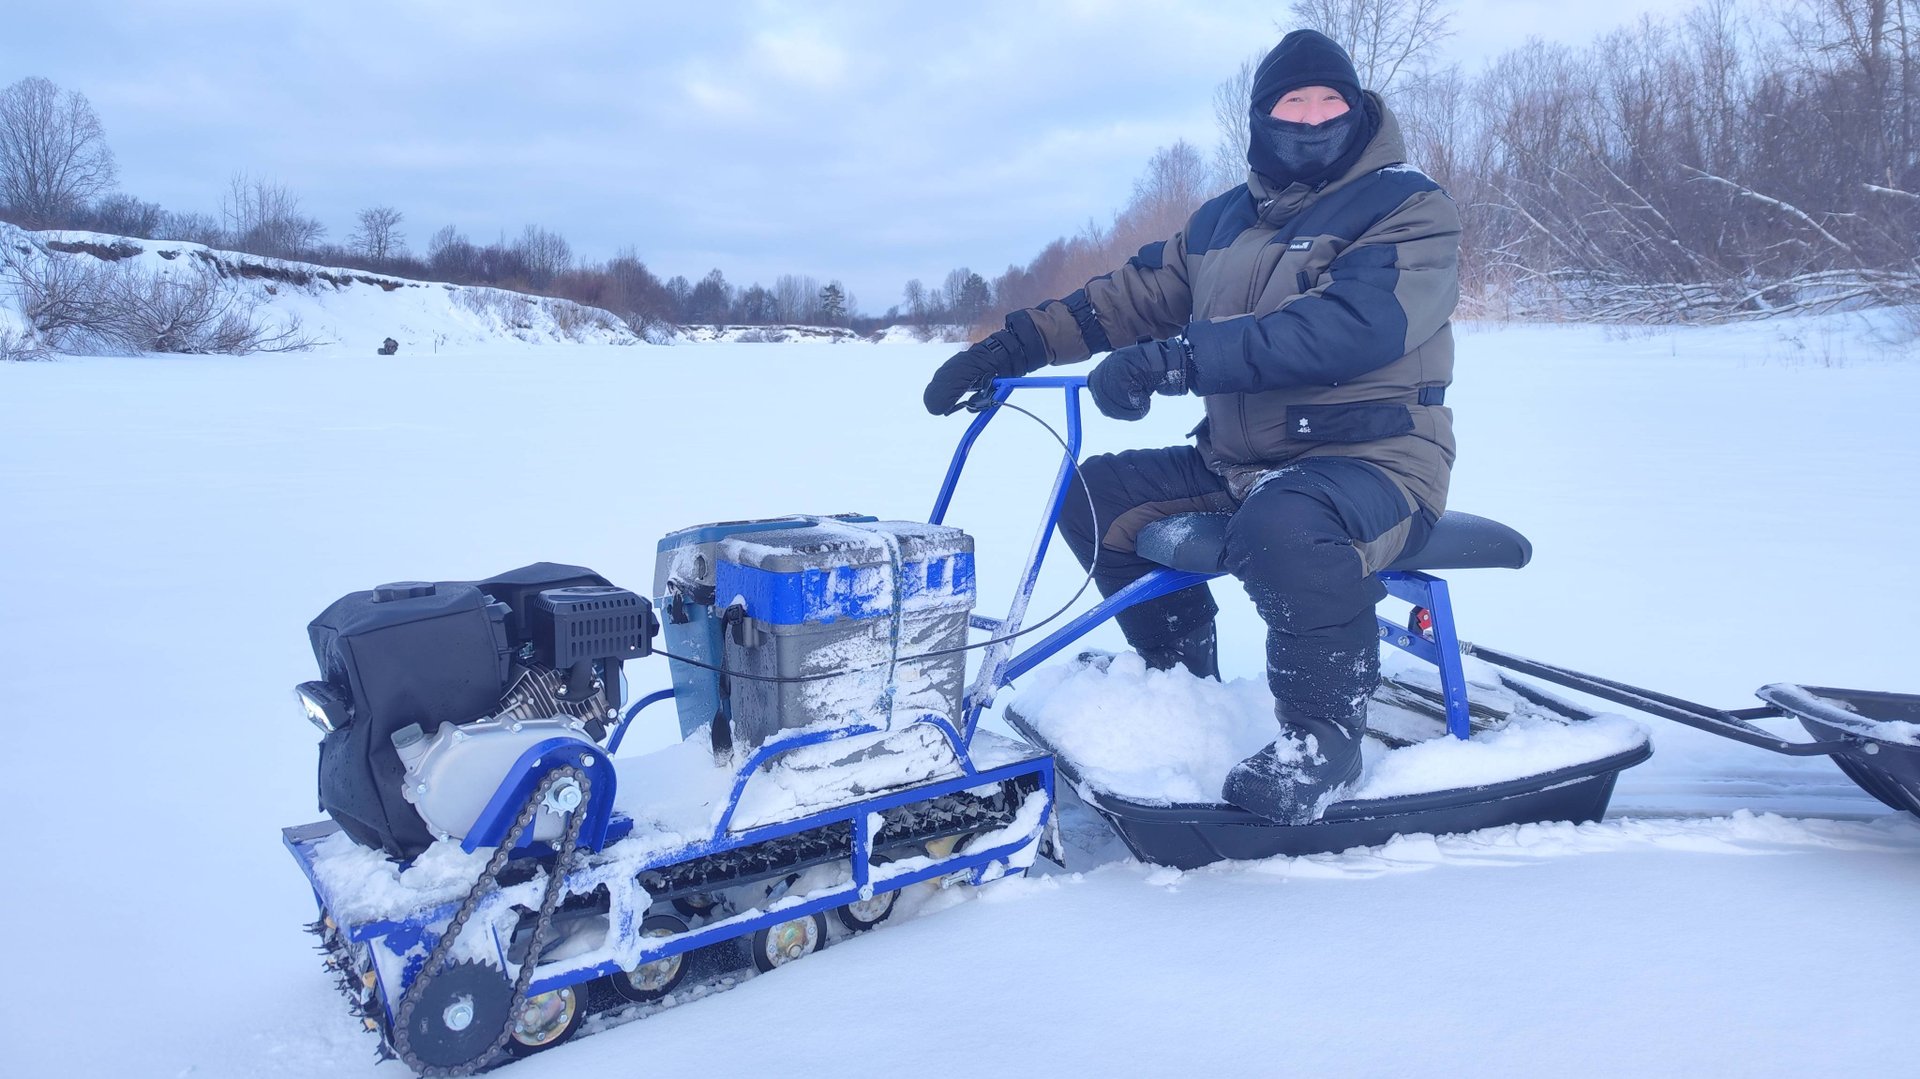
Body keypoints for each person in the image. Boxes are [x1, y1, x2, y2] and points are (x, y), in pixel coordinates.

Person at [922, 30, 1460, 825]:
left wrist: (1180, 363)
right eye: (1292, 103)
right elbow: (1124, 299)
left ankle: (1325, 740)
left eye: (1329, 103)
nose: (1311, 119)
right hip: (1243, 459)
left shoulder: (1408, 206)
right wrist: (1014, 346)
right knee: (1096, 496)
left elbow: (1352, 326)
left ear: (1357, 111)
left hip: (1375, 457)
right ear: (1260, 119)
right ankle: (1181, 682)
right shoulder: (1221, 223)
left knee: (1286, 523)